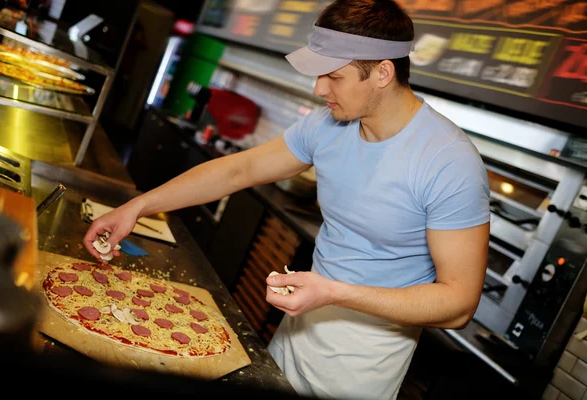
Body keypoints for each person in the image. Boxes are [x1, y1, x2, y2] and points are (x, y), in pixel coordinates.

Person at [83, 0, 491, 398]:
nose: (318, 89)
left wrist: (334, 292)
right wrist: (137, 206)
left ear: (383, 72)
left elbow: (458, 302)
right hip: (293, 334)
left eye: (333, 76)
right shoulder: (328, 125)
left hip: (361, 367)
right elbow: (236, 170)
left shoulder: (448, 162)